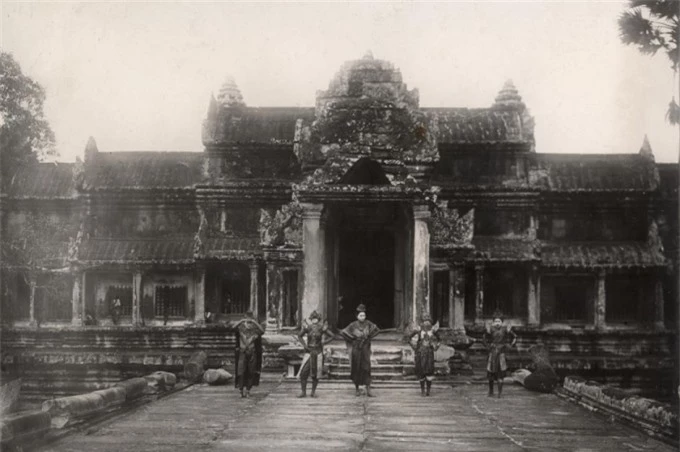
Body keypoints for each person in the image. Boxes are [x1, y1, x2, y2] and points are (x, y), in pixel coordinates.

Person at [340, 304, 380, 397]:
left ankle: (368, 389)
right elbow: (343, 332)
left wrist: (370, 337)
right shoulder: (353, 325)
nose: (363, 317)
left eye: (364, 315)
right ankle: (357, 389)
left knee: (366, 367)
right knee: (356, 367)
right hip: (356, 348)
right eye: (361, 315)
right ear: (357, 316)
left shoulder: (368, 323)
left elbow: (378, 330)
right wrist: (352, 340)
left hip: (365, 347)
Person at [296, 310, 334, 398]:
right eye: (313, 319)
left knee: (317, 373)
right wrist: (305, 346)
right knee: (304, 372)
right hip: (309, 352)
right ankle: (303, 392)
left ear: (318, 319)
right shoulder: (307, 327)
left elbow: (332, 336)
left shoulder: (321, 328)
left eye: (316, 319)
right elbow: (299, 336)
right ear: (311, 319)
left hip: (318, 352)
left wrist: (324, 342)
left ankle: (313, 392)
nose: (314, 320)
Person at [483, 311, 517, 398]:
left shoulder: (505, 330)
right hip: (493, 352)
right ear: (493, 322)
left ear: (502, 322)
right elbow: (484, 338)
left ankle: (500, 393)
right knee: (490, 373)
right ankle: (491, 391)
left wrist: (510, 345)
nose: (497, 323)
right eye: (496, 321)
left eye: (499, 321)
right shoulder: (490, 329)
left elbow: (514, 337)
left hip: (501, 353)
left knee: (500, 373)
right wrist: (488, 345)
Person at [234, 310, 265, 398]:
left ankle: (248, 390)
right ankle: (241, 390)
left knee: (251, 371)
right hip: (242, 351)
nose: (248, 319)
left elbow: (262, 331)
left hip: (252, 351)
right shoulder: (241, 327)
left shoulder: (254, 328)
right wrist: (241, 321)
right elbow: (232, 328)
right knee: (241, 371)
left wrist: (255, 322)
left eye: (250, 317)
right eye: (247, 317)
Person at [408, 314, 441, 396]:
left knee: (429, 371)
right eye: (424, 322)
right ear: (422, 324)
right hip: (420, 354)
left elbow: (440, 340)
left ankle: (428, 390)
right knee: (421, 371)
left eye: (428, 322)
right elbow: (409, 338)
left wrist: (436, 346)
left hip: (429, 354)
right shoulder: (418, 332)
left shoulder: (433, 333)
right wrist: (414, 347)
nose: (426, 324)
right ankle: (422, 390)